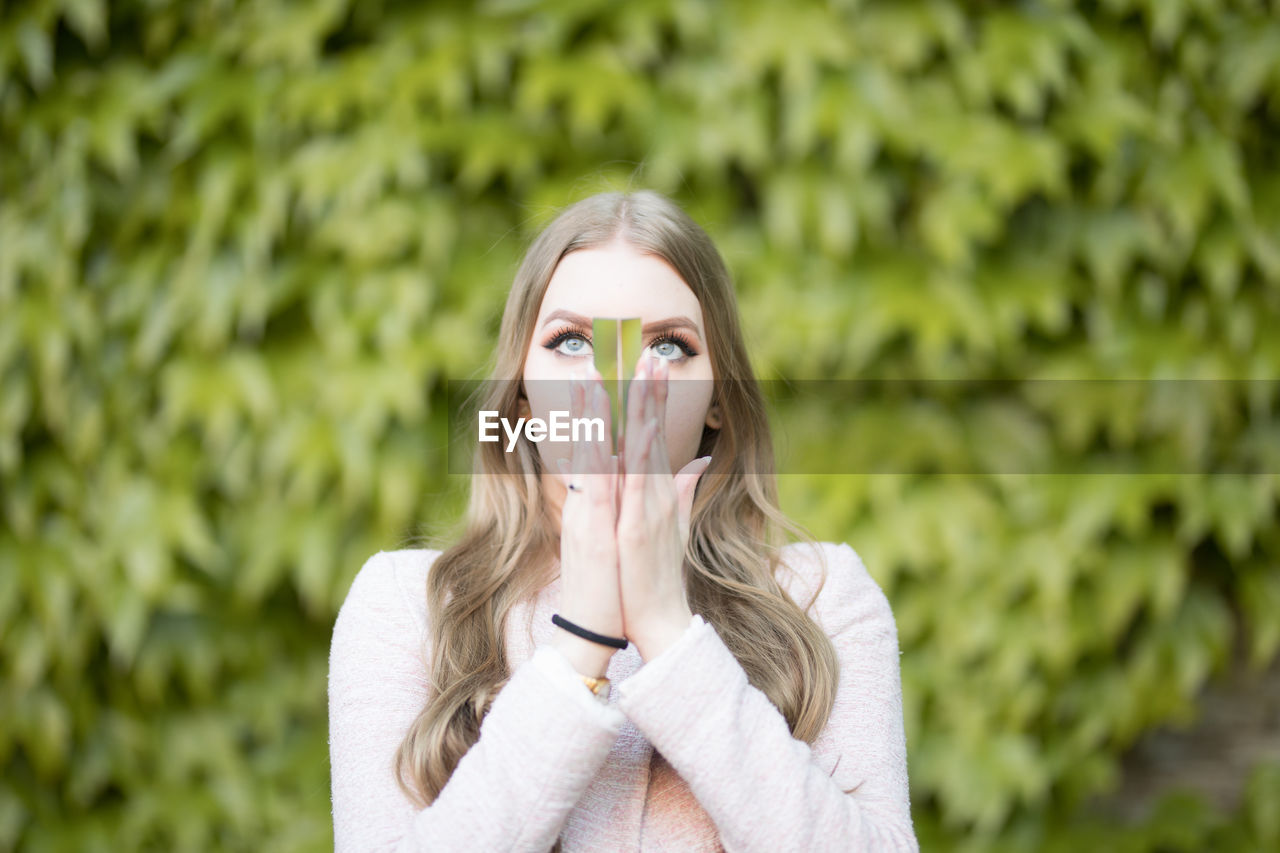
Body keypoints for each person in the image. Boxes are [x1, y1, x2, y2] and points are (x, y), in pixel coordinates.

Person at [328, 189, 918, 851]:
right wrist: (582, 637)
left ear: (718, 402)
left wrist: (670, 634)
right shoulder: (407, 606)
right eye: (573, 341)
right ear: (520, 400)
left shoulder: (823, 595)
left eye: (666, 347)